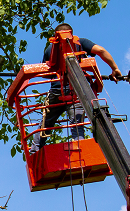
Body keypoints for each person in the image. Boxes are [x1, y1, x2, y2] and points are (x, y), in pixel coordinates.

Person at [29, 23, 122, 153]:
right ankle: (80, 150)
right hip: (77, 91)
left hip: (57, 92)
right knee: (77, 124)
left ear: (55, 36)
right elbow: (101, 51)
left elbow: (46, 73)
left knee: (46, 124)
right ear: (71, 33)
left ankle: (34, 152)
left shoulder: (50, 49)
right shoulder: (81, 42)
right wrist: (115, 68)